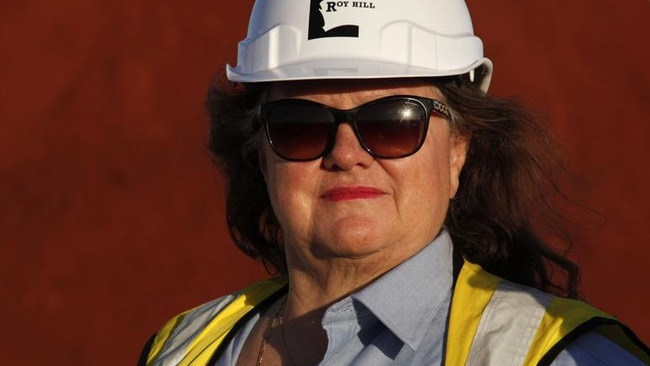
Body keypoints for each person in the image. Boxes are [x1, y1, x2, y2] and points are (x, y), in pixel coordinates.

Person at [139, 0, 650, 365]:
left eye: (394, 122)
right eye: (299, 126)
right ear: (258, 154)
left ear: (458, 148)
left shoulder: (562, 356)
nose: (346, 155)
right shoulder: (181, 349)